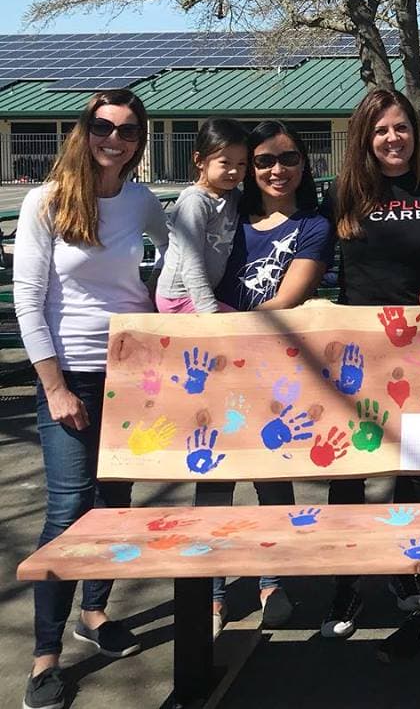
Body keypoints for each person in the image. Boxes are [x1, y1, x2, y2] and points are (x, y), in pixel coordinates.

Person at [14, 90, 169, 709]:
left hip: (132, 378)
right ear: (84, 130)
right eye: (104, 126)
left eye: (128, 131)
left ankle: (95, 614)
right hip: (70, 374)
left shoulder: (145, 203)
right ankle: (45, 655)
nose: (115, 138)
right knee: (67, 511)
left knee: (113, 505)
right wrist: (53, 386)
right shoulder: (45, 201)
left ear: (140, 140)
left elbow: (163, 279)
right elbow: (29, 301)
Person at [317, 89, 420, 661]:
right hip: (361, 358)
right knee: (352, 474)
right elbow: (302, 253)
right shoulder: (343, 195)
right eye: (380, 130)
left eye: (401, 127)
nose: (393, 138)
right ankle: (347, 587)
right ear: (364, 137)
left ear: (415, 132)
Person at [197, 120, 335, 636]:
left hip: (273, 366)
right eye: (264, 161)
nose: (278, 170)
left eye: (289, 159)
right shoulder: (226, 216)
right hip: (213, 365)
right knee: (211, 476)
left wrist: (233, 327)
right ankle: (211, 589)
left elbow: (288, 298)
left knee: (272, 475)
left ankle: (271, 579)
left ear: (305, 165)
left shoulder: (314, 226)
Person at [155, 117, 248, 313]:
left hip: (199, 296)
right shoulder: (195, 202)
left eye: (241, 164)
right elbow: (191, 262)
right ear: (199, 161)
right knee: (245, 331)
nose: (234, 171)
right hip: (179, 297)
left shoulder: (232, 196)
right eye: (225, 162)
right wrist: (210, 312)